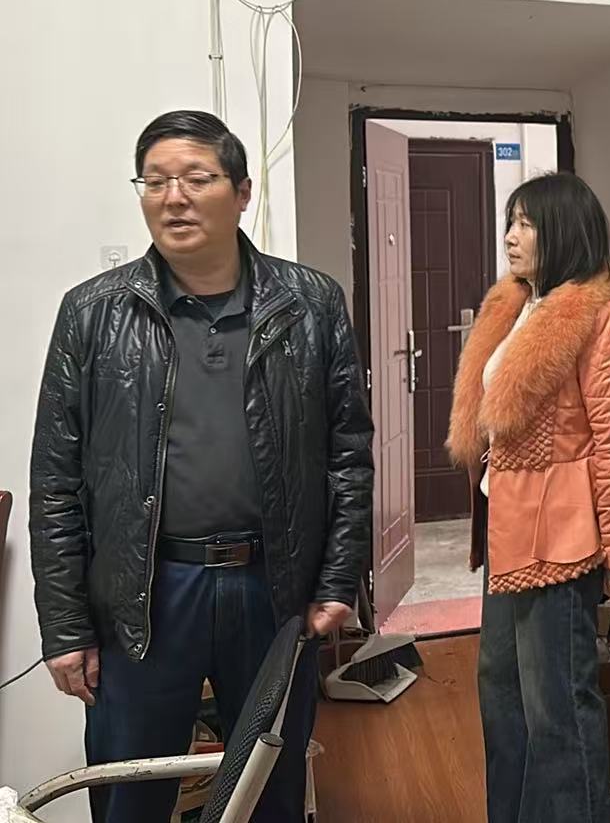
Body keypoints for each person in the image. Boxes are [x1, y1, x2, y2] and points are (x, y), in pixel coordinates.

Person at [29, 110, 373, 823]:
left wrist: (339, 579)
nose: (173, 198)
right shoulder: (92, 313)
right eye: (155, 181)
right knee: (131, 791)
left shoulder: (311, 305)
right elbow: (55, 480)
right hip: (144, 596)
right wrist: (65, 627)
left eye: (195, 178)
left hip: (272, 588)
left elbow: (348, 454)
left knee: (269, 790)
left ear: (242, 192)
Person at [447, 171, 610, 823]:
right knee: (501, 693)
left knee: (556, 702)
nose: (510, 236)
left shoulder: (600, 319)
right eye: (511, 221)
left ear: (563, 232)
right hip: (506, 524)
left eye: (526, 223)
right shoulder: (514, 307)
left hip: (561, 533)